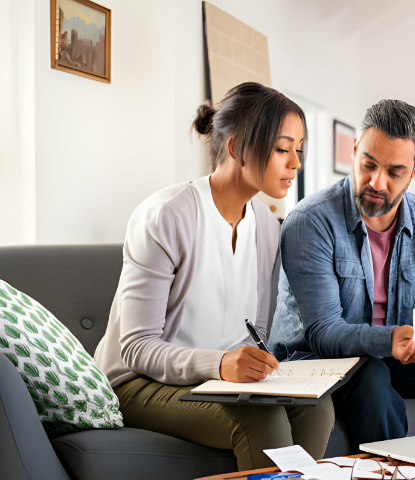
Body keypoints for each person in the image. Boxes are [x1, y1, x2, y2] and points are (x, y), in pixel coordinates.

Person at [94, 82, 335, 471]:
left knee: (317, 408)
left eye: (299, 150)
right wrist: (221, 364)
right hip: (138, 383)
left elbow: (252, 331)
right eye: (282, 149)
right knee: (262, 418)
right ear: (238, 148)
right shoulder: (166, 216)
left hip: (218, 381)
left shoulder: (268, 227)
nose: (296, 163)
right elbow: (136, 348)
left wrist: (259, 367)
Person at [270, 99, 415, 447]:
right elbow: (322, 332)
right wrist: (389, 341)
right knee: (373, 374)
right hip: (317, 361)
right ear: (354, 150)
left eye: (394, 172)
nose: (377, 182)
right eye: (368, 165)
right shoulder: (311, 221)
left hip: (394, 354)